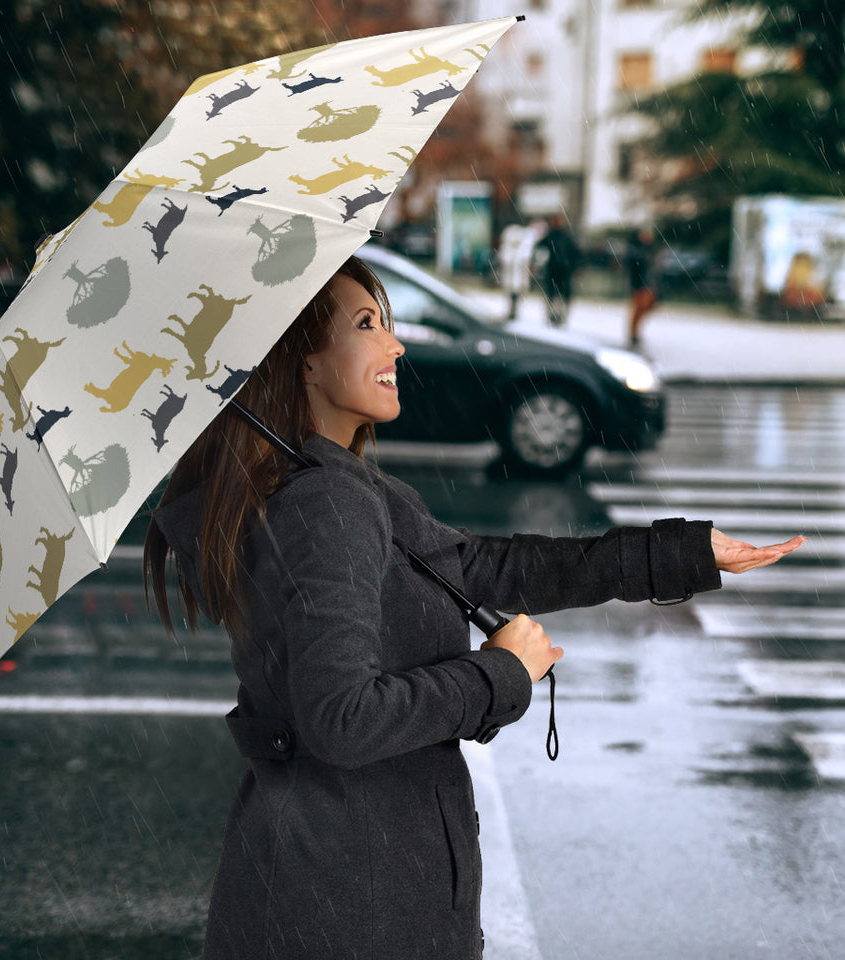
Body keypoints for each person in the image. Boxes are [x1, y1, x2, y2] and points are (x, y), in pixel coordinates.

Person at [143, 256, 804, 960]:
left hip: (338, 883)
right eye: (367, 325)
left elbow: (488, 567)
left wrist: (681, 554)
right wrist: (499, 673)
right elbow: (341, 719)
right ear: (301, 362)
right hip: (352, 902)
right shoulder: (325, 504)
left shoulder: (334, 488)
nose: (395, 345)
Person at [533, 213, 580, 327]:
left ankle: (560, 316)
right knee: (552, 294)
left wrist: (575, 267)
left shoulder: (566, 237)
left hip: (564, 271)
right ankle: (552, 315)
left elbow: (575, 253)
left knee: (562, 295)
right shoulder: (550, 236)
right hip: (553, 270)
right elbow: (539, 249)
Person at [626, 226, 658, 347]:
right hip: (640, 284)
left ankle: (635, 331)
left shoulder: (648, 249)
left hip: (648, 283)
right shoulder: (636, 250)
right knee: (639, 308)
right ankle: (633, 333)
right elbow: (635, 265)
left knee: (647, 306)